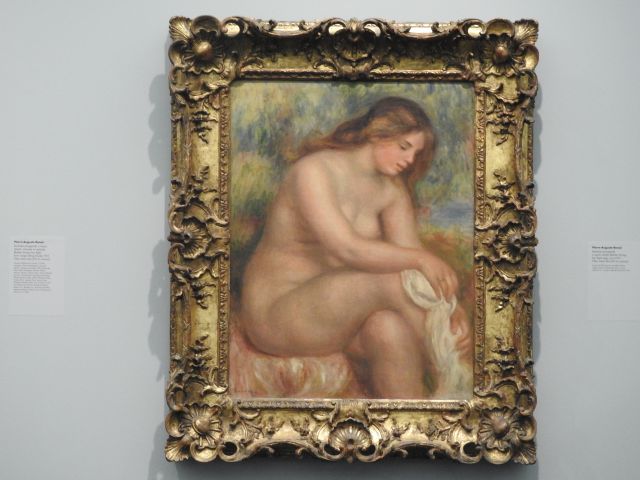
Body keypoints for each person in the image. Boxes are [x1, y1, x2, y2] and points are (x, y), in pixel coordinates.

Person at [238, 96, 471, 398]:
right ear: (377, 134)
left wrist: (449, 307)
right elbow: (346, 249)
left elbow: (410, 256)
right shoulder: (314, 171)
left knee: (389, 330)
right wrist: (424, 266)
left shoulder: (392, 190)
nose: (410, 160)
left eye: (416, 153)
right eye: (404, 147)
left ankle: (417, 423)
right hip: (280, 312)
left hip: (337, 315)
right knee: (393, 281)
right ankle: (457, 379)